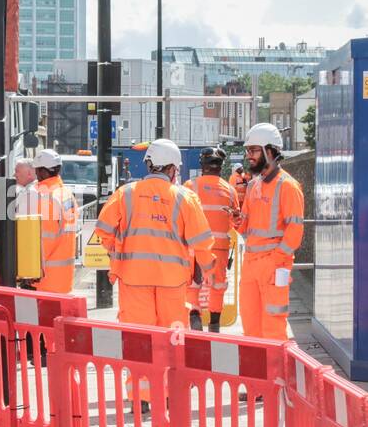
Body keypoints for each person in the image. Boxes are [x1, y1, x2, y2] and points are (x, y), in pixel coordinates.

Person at [96, 139, 215, 330]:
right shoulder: (185, 198)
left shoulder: (124, 194)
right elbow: (202, 241)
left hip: (133, 279)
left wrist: (115, 252)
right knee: (170, 338)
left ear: (149, 165)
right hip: (172, 281)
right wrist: (208, 269)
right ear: (171, 169)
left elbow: (103, 229)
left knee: (138, 338)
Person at [239, 123, 304, 341]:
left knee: (273, 329)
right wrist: (234, 219)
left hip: (274, 267)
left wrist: (275, 261)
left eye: (254, 150)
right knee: (250, 328)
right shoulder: (253, 186)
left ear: (271, 151)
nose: (249, 156)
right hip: (251, 264)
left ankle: (277, 376)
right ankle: (256, 374)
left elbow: (295, 231)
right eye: (248, 150)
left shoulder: (288, 186)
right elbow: (245, 227)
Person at [187, 147, 244, 333]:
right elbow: (235, 220)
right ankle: (214, 324)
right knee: (217, 287)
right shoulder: (230, 190)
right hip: (219, 248)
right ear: (221, 166)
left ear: (202, 164)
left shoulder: (190, 186)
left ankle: (194, 315)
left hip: (194, 248)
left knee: (193, 284)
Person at [26, 149, 79, 294]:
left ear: (43, 171)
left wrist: (31, 271)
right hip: (63, 279)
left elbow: (44, 241)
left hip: (44, 281)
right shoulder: (66, 194)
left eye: (37, 171)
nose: (36, 175)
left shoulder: (46, 198)